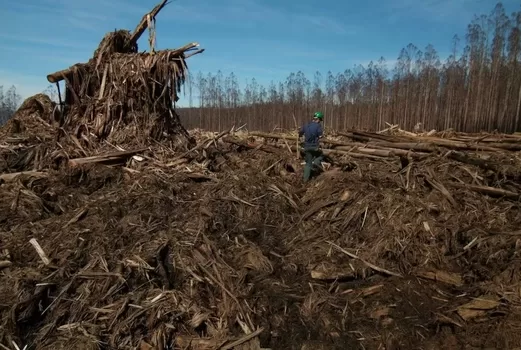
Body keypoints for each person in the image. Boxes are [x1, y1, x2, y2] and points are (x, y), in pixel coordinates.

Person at [298, 112, 324, 182]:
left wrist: (302, 141)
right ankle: (315, 164)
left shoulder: (306, 125)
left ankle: (305, 180)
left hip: (306, 147)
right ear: (318, 119)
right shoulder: (318, 126)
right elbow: (320, 137)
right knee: (321, 155)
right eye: (320, 120)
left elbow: (300, 133)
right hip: (315, 147)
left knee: (308, 163)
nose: (320, 122)